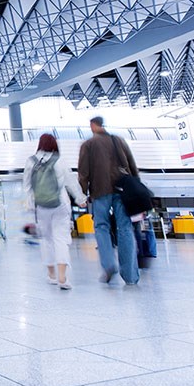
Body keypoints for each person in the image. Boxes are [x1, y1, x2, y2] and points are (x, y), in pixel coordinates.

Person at [78, 116, 140, 285]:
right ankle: (130, 276)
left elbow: (83, 172)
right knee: (125, 228)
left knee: (101, 227)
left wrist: (82, 194)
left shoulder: (88, 145)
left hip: (100, 191)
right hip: (122, 190)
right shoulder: (118, 141)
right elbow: (132, 165)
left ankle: (109, 264)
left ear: (92, 125)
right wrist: (137, 187)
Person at [24, 134, 85, 290]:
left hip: (41, 207)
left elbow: (28, 187)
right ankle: (63, 278)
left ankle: (51, 275)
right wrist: (80, 198)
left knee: (47, 240)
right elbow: (71, 182)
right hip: (60, 205)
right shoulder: (59, 160)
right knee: (61, 239)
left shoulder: (31, 162)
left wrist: (32, 206)